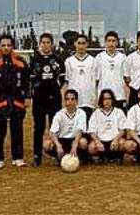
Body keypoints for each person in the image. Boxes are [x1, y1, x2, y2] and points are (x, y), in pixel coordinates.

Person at [0, 34, 31, 169]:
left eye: (9, 45)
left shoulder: (21, 62)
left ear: (13, 46)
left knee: (17, 130)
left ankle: (18, 157)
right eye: (3, 45)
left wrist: (27, 97)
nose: (6, 48)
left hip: (16, 102)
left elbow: (27, 82)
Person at [30, 33, 65, 167]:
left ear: (52, 44)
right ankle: (37, 156)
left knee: (55, 127)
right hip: (39, 98)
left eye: (48, 42)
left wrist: (53, 87)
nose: (45, 45)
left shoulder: (58, 60)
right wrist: (41, 88)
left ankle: (58, 154)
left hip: (54, 98)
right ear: (40, 44)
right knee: (38, 128)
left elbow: (61, 79)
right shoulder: (35, 60)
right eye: (43, 42)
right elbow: (32, 79)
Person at [43, 89, 88, 163]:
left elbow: (80, 130)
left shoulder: (81, 113)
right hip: (62, 140)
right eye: (67, 99)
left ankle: (77, 157)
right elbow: (52, 132)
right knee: (46, 145)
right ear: (64, 101)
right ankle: (59, 156)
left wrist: (75, 144)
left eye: (72, 99)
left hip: (74, 139)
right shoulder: (59, 114)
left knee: (83, 142)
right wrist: (58, 145)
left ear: (76, 101)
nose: (70, 101)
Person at [87, 89, 126, 164]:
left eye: (109, 99)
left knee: (123, 144)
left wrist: (116, 140)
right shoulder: (96, 113)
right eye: (104, 99)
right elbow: (91, 131)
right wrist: (97, 142)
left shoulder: (119, 112)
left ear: (112, 100)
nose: (107, 101)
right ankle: (100, 157)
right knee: (91, 147)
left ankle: (117, 157)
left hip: (114, 141)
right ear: (101, 100)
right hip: (101, 140)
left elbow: (122, 130)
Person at [65, 34, 95, 121]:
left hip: (88, 100)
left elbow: (96, 80)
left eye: (83, 43)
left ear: (87, 44)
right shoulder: (69, 61)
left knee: (88, 130)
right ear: (75, 44)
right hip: (74, 101)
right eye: (79, 43)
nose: (81, 46)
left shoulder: (93, 61)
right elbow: (67, 80)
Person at [94, 31, 127, 112]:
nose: (111, 43)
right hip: (104, 97)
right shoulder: (99, 57)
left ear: (117, 43)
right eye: (109, 41)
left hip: (119, 96)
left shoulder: (122, 57)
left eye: (113, 41)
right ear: (105, 43)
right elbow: (96, 79)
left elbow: (126, 77)